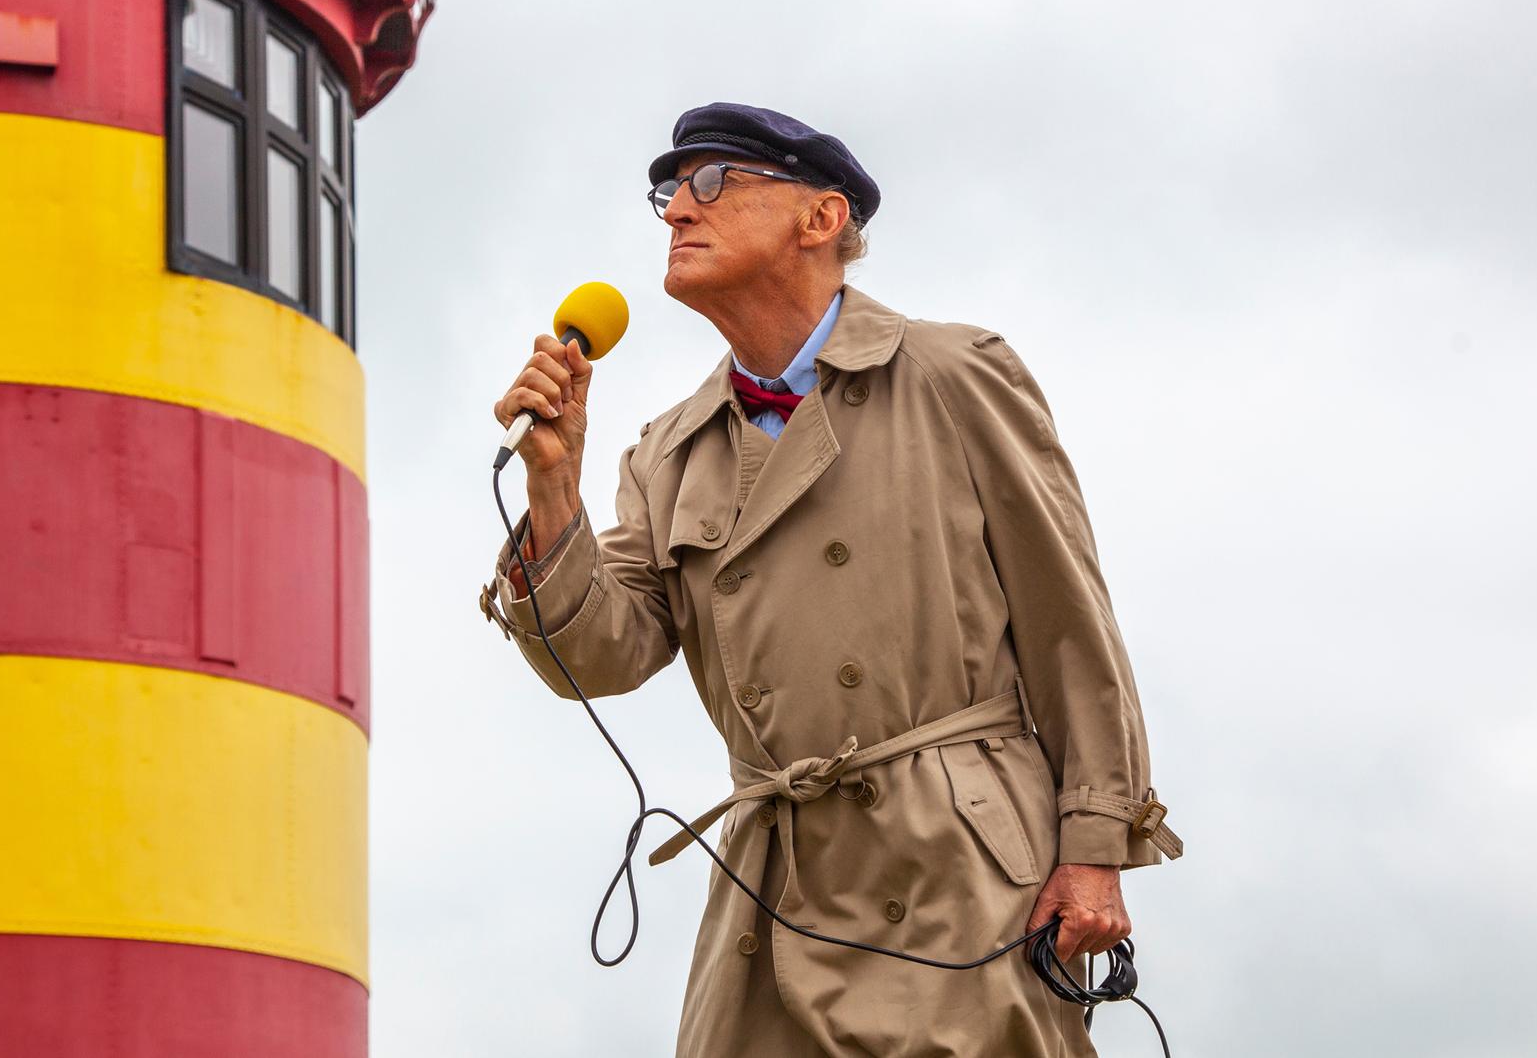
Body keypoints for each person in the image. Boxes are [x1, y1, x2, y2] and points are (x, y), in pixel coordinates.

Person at [477, 103, 1181, 1057]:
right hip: (776, 889)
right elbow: (594, 658)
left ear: (821, 219)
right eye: (669, 192)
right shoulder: (665, 454)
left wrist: (1096, 849)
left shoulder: (952, 374)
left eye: (713, 181)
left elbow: (1070, 624)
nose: (678, 209)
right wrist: (554, 489)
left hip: (957, 865)